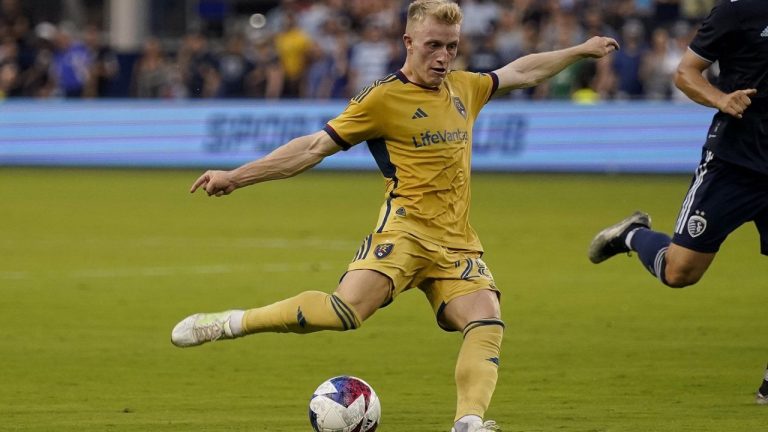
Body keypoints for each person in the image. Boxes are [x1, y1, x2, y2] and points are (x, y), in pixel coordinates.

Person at [171, 1, 618, 431]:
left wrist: (579, 50)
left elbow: (521, 70)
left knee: (486, 320)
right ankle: (231, 323)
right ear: (408, 41)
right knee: (344, 312)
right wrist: (237, 176)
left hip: (457, 242)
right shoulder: (382, 99)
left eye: (451, 47)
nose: (443, 57)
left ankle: (469, 423)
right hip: (403, 235)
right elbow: (311, 148)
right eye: (433, 46)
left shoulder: (465, 88)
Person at [587, 0, 767, 405]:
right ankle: (632, 235)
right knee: (680, 271)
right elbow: (686, 73)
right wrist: (721, 100)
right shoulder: (737, 12)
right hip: (735, 163)